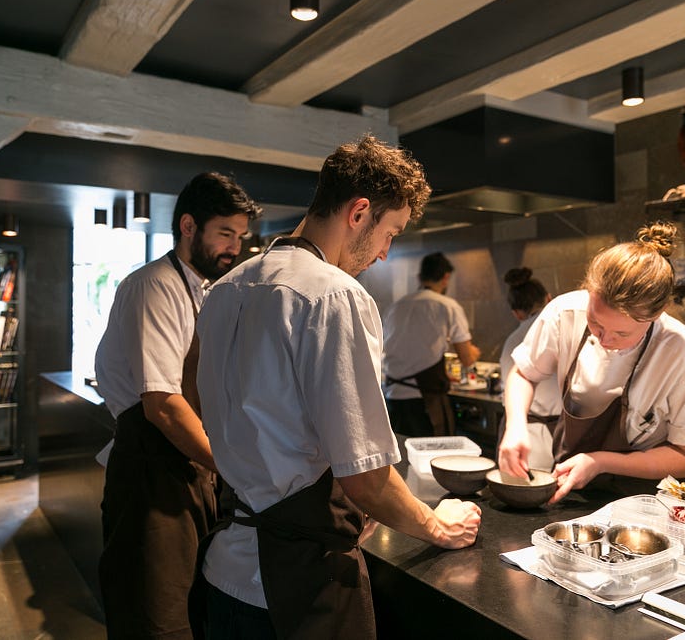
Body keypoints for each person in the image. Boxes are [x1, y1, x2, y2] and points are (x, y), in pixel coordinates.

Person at [195, 135, 482, 640]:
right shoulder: (333, 295)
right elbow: (366, 476)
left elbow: (202, 401)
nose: (385, 253)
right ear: (359, 212)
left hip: (224, 570)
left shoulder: (224, 290)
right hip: (297, 586)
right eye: (389, 232)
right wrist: (438, 524)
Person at [94, 173, 261, 639]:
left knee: (190, 605)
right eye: (225, 233)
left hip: (187, 467)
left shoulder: (205, 291)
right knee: (155, 616)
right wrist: (235, 469)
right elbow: (163, 406)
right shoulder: (155, 287)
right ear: (189, 226)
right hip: (151, 473)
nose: (235, 247)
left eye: (240, 236)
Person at [499, 222, 685, 505]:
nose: (604, 339)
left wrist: (600, 461)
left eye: (621, 333)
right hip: (569, 486)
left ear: (657, 315)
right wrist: (516, 425)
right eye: (595, 322)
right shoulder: (564, 313)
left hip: (643, 499)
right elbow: (523, 373)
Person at [382, 252, 481, 436]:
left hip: (392, 400)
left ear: (420, 278)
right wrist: (475, 352)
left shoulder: (396, 307)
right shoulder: (447, 306)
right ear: (446, 277)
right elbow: (467, 358)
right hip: (425, 404)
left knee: (401, 460)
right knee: (433, 460)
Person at [498, 267, 556, 471]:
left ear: (516, 313)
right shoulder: (563, 332)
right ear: (549, 299)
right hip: (562, 435)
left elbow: (507, 389)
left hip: (526, 437)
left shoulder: (513, 340)